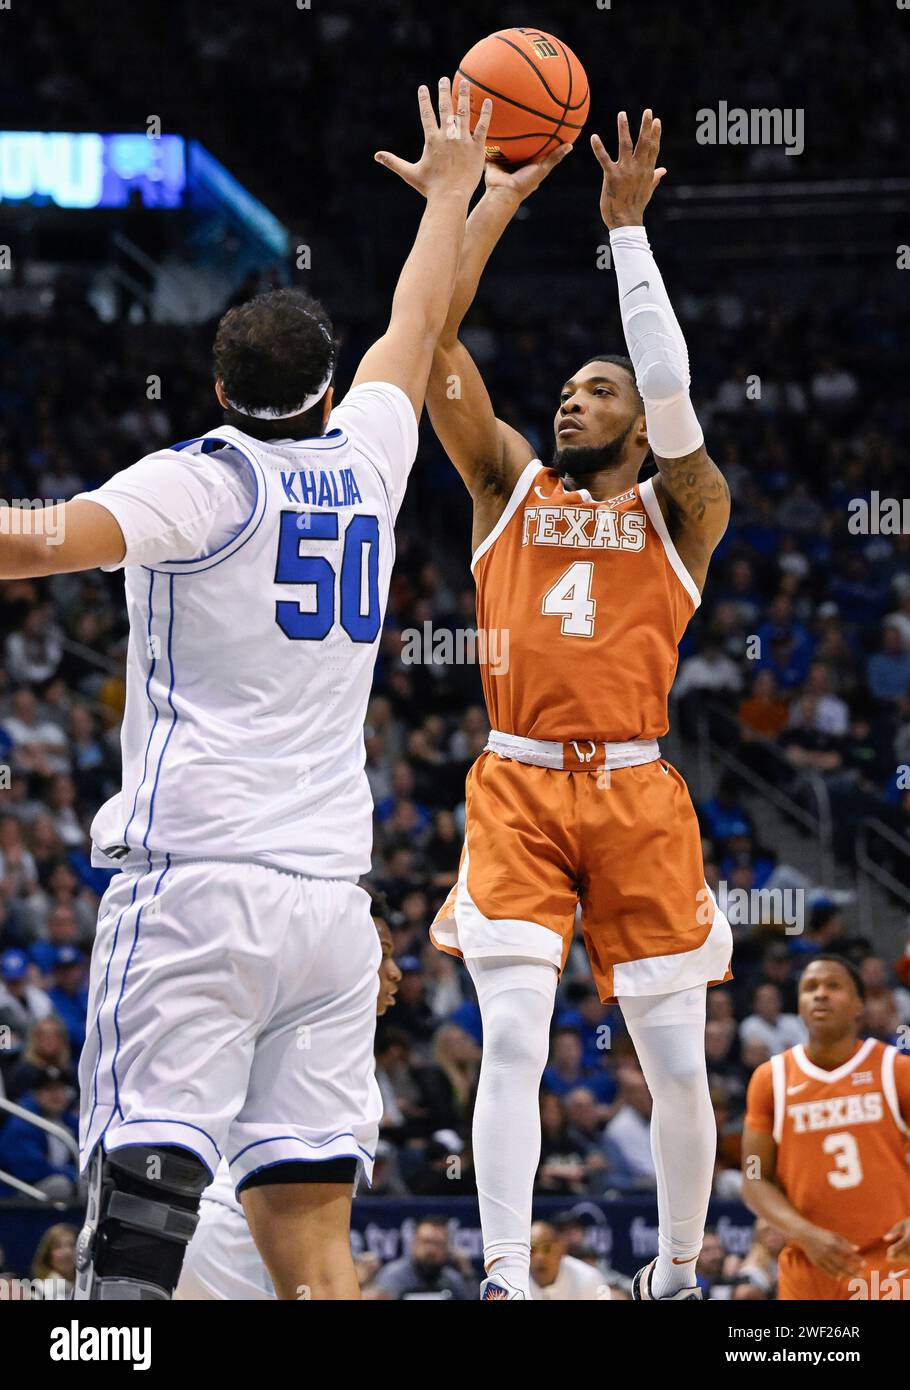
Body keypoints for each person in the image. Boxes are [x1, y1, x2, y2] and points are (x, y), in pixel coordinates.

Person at [0, 79, 491, 1301]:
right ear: (325, 392)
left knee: (145, 1194)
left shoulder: (198, 483)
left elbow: (39, 539)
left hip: (197, 883)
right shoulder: (371, 458)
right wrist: (453, 193)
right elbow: (416, 324)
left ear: (220, 392)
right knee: (315, 1251)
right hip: (330, 903)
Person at [392, 109, 732, 1298]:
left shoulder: (683, 512)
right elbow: (426, 333)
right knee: (519, 1039)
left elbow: (677, 391)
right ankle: (499, 1272)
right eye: (568, 390)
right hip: (520, 780)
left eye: (598, 392)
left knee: (677, 1064)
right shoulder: (502, 481)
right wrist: (482, 202)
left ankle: (678, 1274)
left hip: (637, 784)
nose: (570, 402)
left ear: (639, 425)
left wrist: (626, 237)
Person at [175, 900, 401, 1300]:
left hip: (223, 1230)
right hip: (238, 1235)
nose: (395, 973)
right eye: (381, 953)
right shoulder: (315, 1036)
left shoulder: (328, 1036)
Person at [742, 955, 910, 1300]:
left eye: (834, 986)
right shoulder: (770, 1079)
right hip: (810, 1262)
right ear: (799, 1004)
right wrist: (804, 1233)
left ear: (859, 1004)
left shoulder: (896, 1070)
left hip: (890, 1258)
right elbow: (754, 1177)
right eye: (810, 988)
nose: (820, 994)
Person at [370, 1216, 472, 1301]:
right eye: (426, 1242)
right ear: (414, 1244)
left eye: (437, 1244)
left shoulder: (452, 1280)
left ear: (447, 1249)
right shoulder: (393, 1278)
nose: (431, 1250)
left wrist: (468, 1273)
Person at [529, 1219, 609, 1300]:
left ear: (561, 1250)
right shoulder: (517, 1279)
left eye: (546, 1249)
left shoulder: (590, 1279)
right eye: (532, 1250)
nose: (540, 1257)